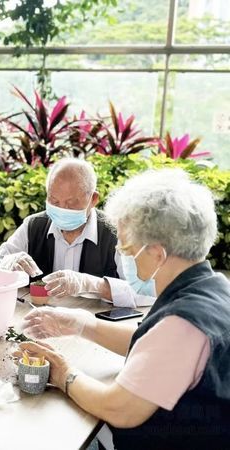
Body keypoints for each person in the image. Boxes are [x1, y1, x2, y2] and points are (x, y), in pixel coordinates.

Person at [20, 169, 230, 449]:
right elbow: (151, 344)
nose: (124, 256)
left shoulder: (184, 324)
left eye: (128, 250)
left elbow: (118, 408)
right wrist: (81, 324)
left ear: (157, 253)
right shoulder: (213, 288)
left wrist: (63, 372)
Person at [0, 158, 155, 307]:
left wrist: (92, 284)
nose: (62, 209)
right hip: (40, 323)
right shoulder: (34, 225)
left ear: (93, 199)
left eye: (71, 203)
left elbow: (146, 294)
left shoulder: (116, 233)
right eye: (54, 201)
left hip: (95, 331)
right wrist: (5, 264)